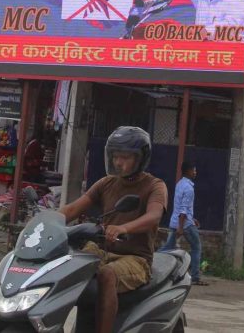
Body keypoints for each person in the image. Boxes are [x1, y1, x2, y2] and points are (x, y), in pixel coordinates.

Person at [59, 127, 167, 333]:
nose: (119, 162)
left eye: (125, 157)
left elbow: (154, 216)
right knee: (64, 263)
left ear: (140, 158)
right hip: (101, 250)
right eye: (116, 156)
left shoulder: (155, 185)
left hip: (136, 258)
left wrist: (123, 228)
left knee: (107, 274)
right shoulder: (106, 183)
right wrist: (45, 223)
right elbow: (72, 209)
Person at [159, 160, 205, 285]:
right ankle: (195, 277)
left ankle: (151, 261)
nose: (195, 172)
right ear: (189, 171)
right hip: (184, 224)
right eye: (194, 170)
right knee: (196, 247)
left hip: (176, 221)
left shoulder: (179, 184)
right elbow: (184, 208)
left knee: (168, 247)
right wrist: (181, 226)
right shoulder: (189, 188)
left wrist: (191, 218)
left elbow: (180, 206)